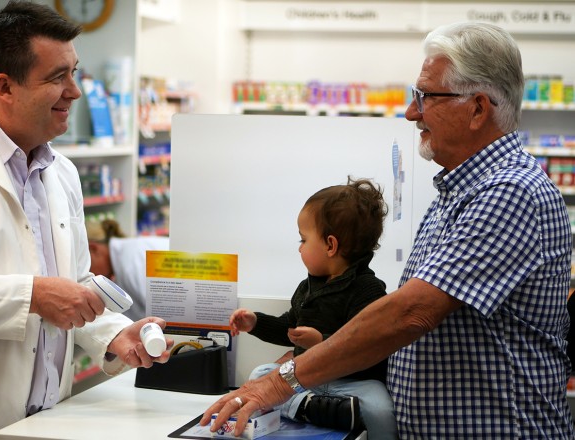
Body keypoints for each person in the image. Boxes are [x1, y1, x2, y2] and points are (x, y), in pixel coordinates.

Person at [202, 21, 575, 439]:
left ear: (478, 108)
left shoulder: (509, 192)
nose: (412, 112)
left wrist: (278, 382)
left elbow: (411, 312)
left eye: (427, 97)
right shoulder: (459, 190)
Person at [0, 2, 172, 439]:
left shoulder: (63, 172)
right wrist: (31, 295)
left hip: (50, 419)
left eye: (75, 73)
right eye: (58, 77)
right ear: (5, 86)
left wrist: (114, 334)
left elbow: (74, 281)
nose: (75, 91)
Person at [229, 177, 397, 439]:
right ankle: (310, 408)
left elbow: (366, 348)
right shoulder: (307, 288)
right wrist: (255, 323)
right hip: (305, 380)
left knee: (381, 408)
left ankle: (313, 408)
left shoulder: (369, 290)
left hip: (354, 385)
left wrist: (320, 342)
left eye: (303, 240)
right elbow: (288, 328)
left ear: (330, 245)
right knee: (259, 374)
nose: (299, 248)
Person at [87, 218, 169, 321]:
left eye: (84, 263)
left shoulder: (131, 261)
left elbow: (161, 315)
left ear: (93, 249)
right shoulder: (123, 258)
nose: (86, 272)